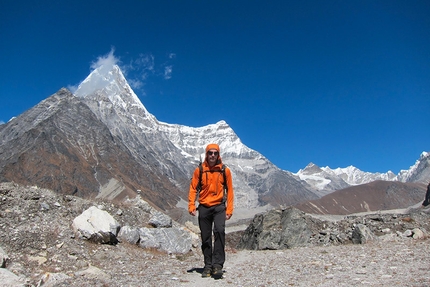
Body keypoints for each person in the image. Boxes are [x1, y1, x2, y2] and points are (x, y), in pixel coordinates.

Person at [188, 143, 234, 278]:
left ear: (218, 155)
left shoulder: (225, 171)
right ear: (206, 154)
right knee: (206, 237)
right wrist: (191, 205)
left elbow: (230, 190)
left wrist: (229, 209)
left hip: (219, 206)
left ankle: (218, 265)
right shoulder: (200, 170)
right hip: (204, 207)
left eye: (215, 153)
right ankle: (208, 265)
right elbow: (193, 188)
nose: (212, 155)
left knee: (220, 231)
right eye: (210, 153)